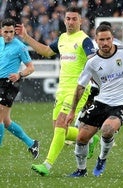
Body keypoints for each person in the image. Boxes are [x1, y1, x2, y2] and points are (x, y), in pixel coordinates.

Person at [15, 7, 98, 176]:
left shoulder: (85, 40)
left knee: (61, 124)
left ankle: (47, 165)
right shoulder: (62, 39)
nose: (70, 22)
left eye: (74, 19)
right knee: (60, 131)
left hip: (77, 90)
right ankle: (88, 137)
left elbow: (93, 62)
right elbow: (45, 51)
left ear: (80, 21)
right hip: (62, 90)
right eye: (68, 18)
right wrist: (26, 37)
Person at [65, 24, 123, 177]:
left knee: (107, 129)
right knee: (81, 137)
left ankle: (102, 159)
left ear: (113, 39)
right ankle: (81, 170)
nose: (105, 43)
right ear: (96, 40)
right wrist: (72, 111)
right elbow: (80, 86)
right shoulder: (92, 62)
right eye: (102, 40)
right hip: (102, 101)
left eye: (108, 39)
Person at [0, 18, 39, 159]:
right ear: (1, 31)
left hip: (10, 83)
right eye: (6, 32)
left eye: (11, 32)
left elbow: (31, 67)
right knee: (6, 121)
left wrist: (19, 74)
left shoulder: (19, 46)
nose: (9, 35)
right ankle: (32, 143)